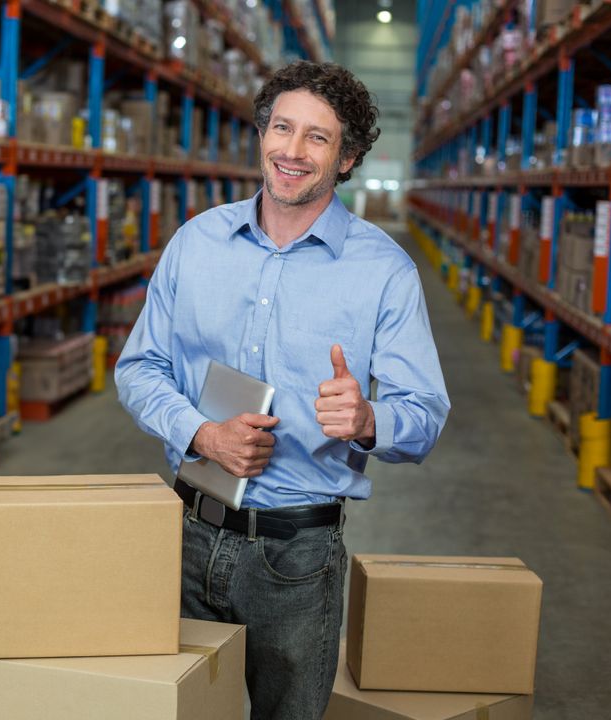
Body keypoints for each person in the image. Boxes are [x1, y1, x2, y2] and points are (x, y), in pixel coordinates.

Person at [114, 61, 450, 720]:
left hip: (297, 559)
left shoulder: (385, 272)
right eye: (281, 129)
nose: (292, 152)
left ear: (347, 157)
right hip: (182, 532)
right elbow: (139, 366)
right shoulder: (197, 243)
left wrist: (368, 419)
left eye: (317, 138)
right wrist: (201, 433)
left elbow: (425, 415)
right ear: (262, 134)